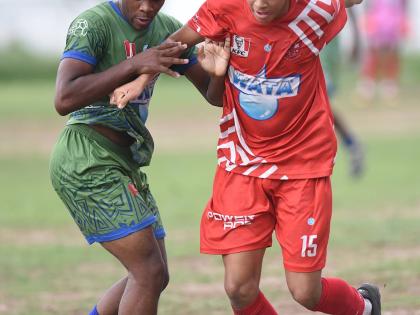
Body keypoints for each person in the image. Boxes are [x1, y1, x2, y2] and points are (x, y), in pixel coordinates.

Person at [111, 0, 383, 314]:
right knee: (238, 289)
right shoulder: (226, 6)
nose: (259, 4)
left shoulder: (317, 11)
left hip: (303, 166)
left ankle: (363, 306)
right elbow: (174, 43)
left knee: (305, 292)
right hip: (242, 164)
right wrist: (140, 80)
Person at [49, 1, 230, 314]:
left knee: (155, 275)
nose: (147, 6)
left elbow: (217, 98)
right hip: (86, 158)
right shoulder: (93, 24)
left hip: (124, 162)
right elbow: (64, 97)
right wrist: (135, 65)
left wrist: (218, 73)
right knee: (148, 272)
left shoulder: (167, 30)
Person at [321, 9, 365, 177]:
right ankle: (352, 144)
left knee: (319, 102)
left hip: (325, 47)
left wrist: (357, 38)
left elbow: (351, 6)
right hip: (300, 40)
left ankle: (350, 145)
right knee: (318, 104)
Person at [358, 0, 409, 100]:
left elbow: (404, 5)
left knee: (392, 53)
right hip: (377, 19)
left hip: (394, 20)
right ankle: (368, 83)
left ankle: (389, 83)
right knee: (373, 53)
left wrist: (402, 21)